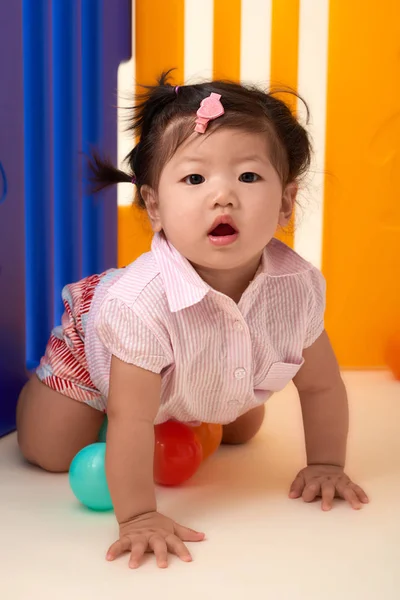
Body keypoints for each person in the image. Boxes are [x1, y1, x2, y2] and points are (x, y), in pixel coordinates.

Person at [16, 72, 369, 569]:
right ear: (155, 206)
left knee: (242, 429)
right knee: (50, 451)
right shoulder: (140, 304)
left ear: (286, 202)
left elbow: (322, 388)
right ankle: (48, 388)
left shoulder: (298, 288)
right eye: (194, 179)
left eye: (248, 176)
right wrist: (138, 515)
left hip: (194, 373)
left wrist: (327, 464)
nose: (223, 196)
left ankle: (189, 406)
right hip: (96, 360)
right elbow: (131, 418)